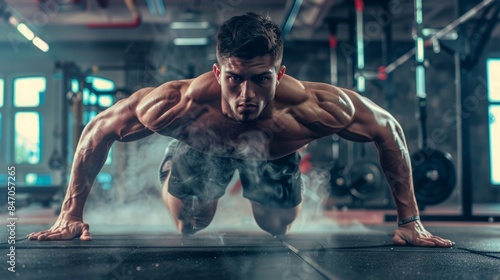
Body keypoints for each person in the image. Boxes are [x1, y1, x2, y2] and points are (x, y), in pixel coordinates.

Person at [28, 12, 453, 247]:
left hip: (275, 152)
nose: (246, 93)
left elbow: (389, 131)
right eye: (234, 78)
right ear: (218, 72)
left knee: (276, 228)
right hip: (202, 148)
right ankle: (173, 165)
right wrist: (70, 215)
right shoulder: (182, 104)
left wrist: (410, 220)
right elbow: (98, 129)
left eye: (260, 79)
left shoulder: (313, 107)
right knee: (190, 225)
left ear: (279, 73)